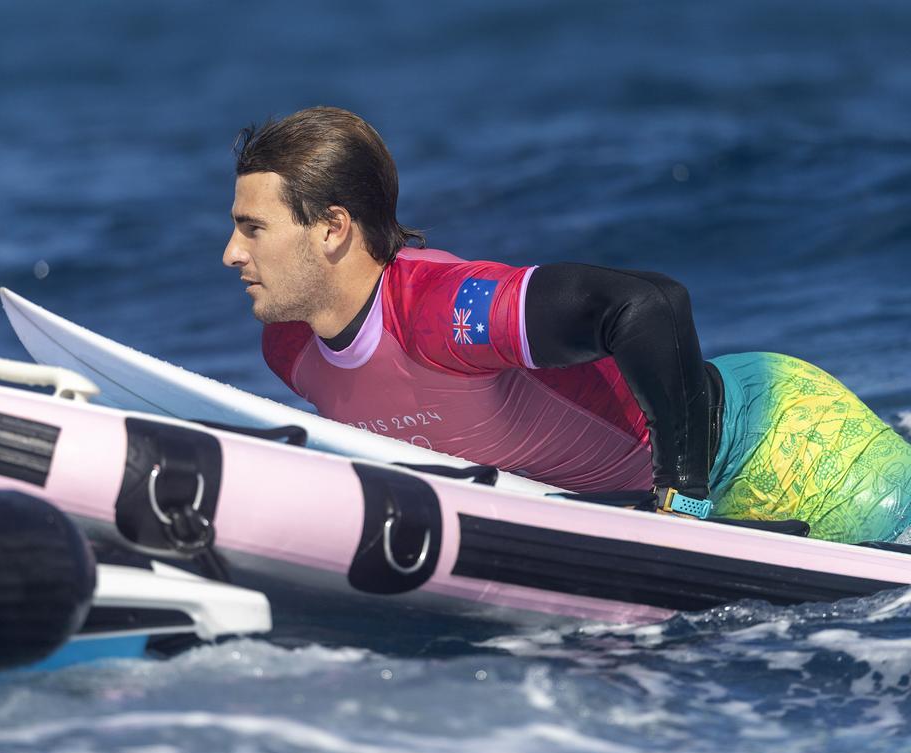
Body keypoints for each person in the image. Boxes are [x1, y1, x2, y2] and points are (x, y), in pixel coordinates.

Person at [222, 106, 911, 544]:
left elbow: (650, 305)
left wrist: (682, 506)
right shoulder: (289, 346)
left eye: (253, 229)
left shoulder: (442, 310)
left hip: (771, 444)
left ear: (333, 229)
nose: (232, 254)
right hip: (619, 498)